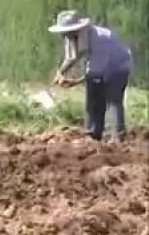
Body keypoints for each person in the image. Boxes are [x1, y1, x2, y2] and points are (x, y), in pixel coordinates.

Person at [49, 10, 133, 143]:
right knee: (94, 96)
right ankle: (93, 133)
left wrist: (74, 82)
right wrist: (60, 72)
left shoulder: (100, 41)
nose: (67, 37)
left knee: (112, 99)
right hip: (103, 66)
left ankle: (117, 136)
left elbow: (95, 73)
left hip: (118, 67)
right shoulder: (75, 37)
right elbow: (71, 57)